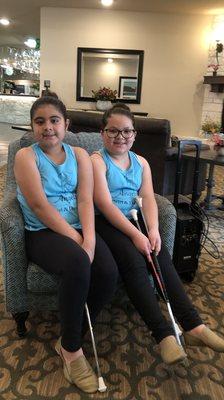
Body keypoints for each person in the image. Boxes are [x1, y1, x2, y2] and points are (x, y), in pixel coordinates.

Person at [91, 103, 224, 365]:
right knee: (133, 261)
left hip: (135, 217)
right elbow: (105, 205)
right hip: (106, 221)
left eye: (127, 131)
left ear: (135, 134)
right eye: (114, 131)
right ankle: (163, 335)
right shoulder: (96, 161)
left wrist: (153, 230)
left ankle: (194, 325)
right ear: (103, 133)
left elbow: (148, 198)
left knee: (160, 255)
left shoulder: (141, 162)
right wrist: (136, 235)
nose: (121, 137)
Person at [14, 96, 118, 393]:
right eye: (40, 121)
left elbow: (85, 199)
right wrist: (77, 242)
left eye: (54, 120)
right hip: (42, 232)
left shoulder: (80, 154)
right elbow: (39, 205)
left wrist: (90, 237)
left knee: (108, 272)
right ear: (33, 126)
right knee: (77, 262)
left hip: (78, 228)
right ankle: (72, 350)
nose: (48, 127)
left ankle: (70, 332)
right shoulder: (26, 156)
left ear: (66, 124)